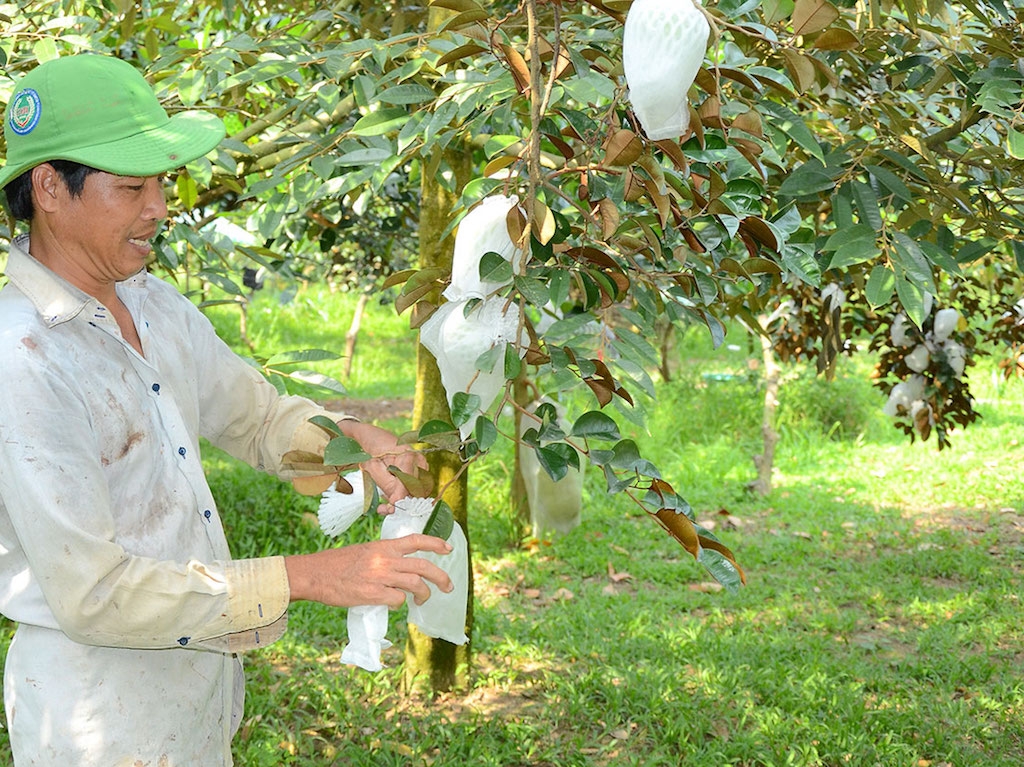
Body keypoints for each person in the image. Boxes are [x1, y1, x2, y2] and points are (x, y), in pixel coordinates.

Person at [0, 53, 452, 766]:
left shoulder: (151, 303)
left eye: (162, 182)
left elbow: (256, 416)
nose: (159, 207)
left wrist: (346, 440)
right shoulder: (22, 359)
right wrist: (307, 576)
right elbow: (95, 593)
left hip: (193, 696)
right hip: (98, 719)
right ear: (50, 188)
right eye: (132, 186)